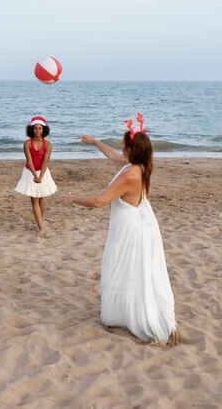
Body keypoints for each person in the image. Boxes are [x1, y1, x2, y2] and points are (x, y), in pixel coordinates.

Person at [63, 113, 178, 345]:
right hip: (136, 223)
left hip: (130, 229)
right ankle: (123, 313)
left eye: (123, 144)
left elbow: (99, 201)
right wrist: (95, 142)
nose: (120, 146)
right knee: (128, 269)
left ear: (130, 149)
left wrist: (73, 198)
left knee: (126, 268)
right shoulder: (138, 166)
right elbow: (114, 157)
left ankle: (132, 317)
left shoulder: (131, 175)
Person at [15, 116, 57, 237]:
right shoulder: (27, 143)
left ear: (44, 130)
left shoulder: (48, 144)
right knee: (34, 199)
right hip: (30, 172)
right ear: (31, 129)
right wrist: (35, 176)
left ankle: (40, 223)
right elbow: (29, 161)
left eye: (40, 128)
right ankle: (41, 227)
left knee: (41, 198)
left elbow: (45, 161)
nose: (38, 131)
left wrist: (41, 176)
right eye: (35, 128)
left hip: (43, 172)